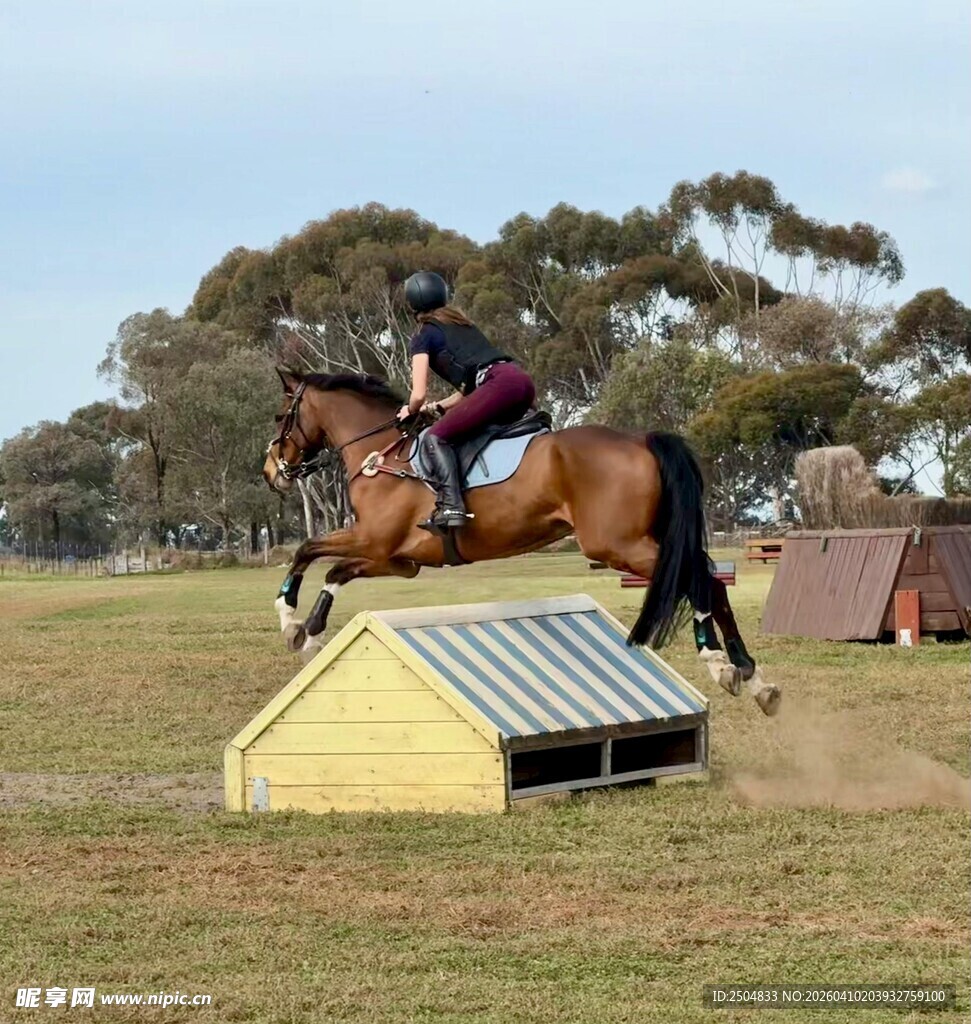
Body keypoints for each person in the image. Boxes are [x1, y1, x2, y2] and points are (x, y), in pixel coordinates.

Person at [397, 270, 536, 533]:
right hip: (518, 381)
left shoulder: (424, 335)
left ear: (412, 304)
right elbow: (469, 391)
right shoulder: (463, 324)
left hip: (498, 384)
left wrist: (410, 410)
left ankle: (452, 506)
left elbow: (417, 394)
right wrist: (438, 407)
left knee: (434, 438)